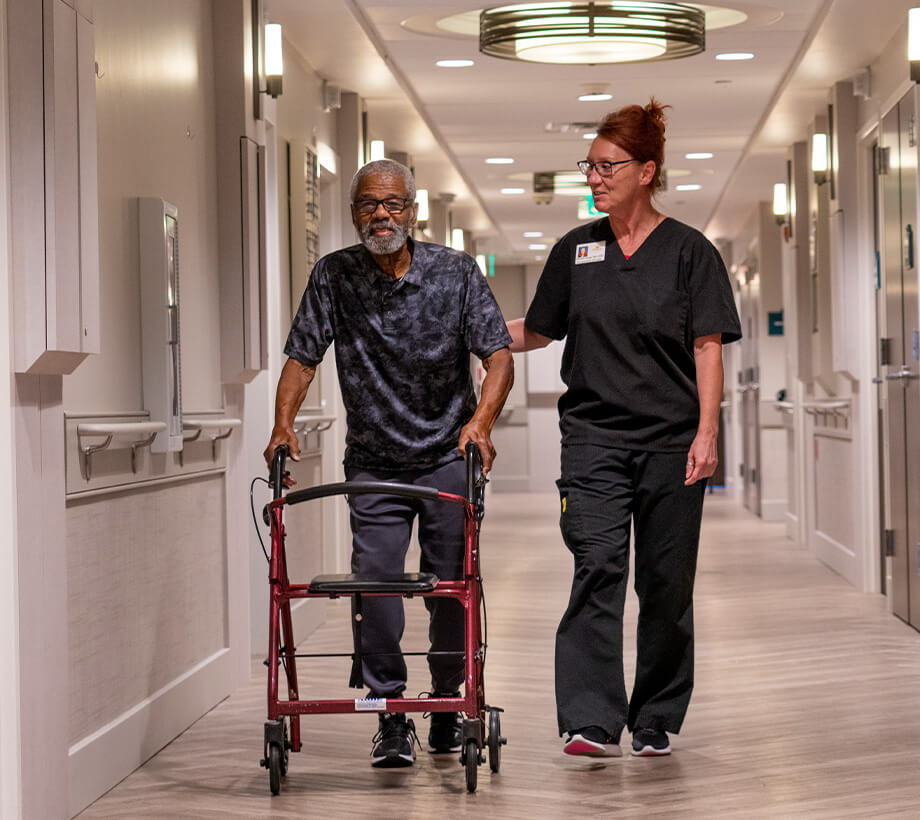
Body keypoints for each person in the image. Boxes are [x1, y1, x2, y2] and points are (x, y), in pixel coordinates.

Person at [507, 99, 741, 759]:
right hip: (593, 439)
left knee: (666, 583)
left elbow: (707, 346)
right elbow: (538, 329)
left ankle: (655, 715)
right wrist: (470, 332)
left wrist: (708, 431)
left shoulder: (690, 253)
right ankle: (591, 718)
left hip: (672, 442)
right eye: (589, 167)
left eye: (607, 166)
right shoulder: (576, 248)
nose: (594, 178)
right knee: (598, 565)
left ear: (647, 169)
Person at [264, 159, 513, 769]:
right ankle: (388, 710)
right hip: (374, 461)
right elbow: (302, 356)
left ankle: (449, 703)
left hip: (445, 457)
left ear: (413, 210)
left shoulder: (455, 274)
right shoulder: (334, 276)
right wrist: (282, 423)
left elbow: (499, 356)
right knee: (375, 580)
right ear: (354, 214)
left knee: (449, 585)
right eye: (370, 205)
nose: (382, 215)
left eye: (394, 204)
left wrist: (479, 424)